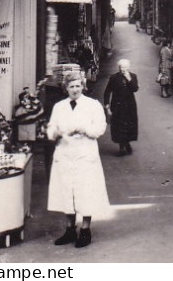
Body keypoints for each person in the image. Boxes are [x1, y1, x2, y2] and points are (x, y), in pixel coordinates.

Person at [47, 73, 110, 249]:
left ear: (83, 86)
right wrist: (55, 133)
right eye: (71, 86)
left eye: (78, 86)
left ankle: (85, 230)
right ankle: (69, 229)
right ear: (65, 88)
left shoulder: (93, 105)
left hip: (85, 154)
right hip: (65, 153)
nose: (75, 90)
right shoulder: (59, 107)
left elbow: (100, 128)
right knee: (66, 191)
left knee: (85, 192)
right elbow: (51, 127)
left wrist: (84, 129)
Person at [103, 58, 138, 155]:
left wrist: (129, 78)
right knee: (119, 126)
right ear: (119, 67)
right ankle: (122, 147)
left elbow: (135, 89)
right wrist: (107, 105)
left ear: (129, 67)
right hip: (117, 106)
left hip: (130, 106)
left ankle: (127, 143)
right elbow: (107, 91)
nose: (123, 69)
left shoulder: (133, 76)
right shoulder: (114, 78)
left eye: (125, 67)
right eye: (121, 67)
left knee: (129, 126)